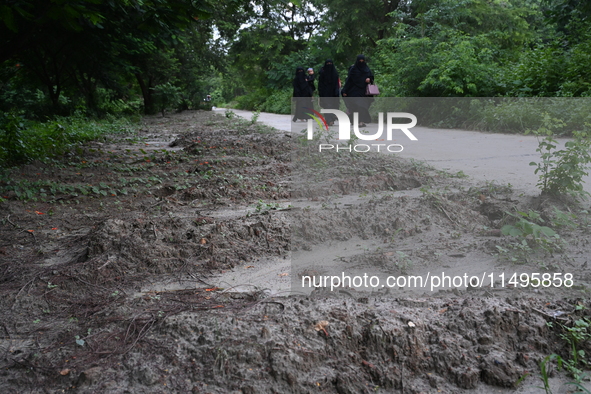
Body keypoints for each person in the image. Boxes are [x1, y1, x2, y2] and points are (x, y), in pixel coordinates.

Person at [341, 54, 374, 127]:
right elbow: (349, 80)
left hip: (364, 91)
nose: (361, 62)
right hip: (354, 91)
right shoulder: (353, 69)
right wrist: (345, 90)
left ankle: (361, 121)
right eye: (360, 61)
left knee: (363, 106)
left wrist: (369, 79)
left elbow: (371, 77)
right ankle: (359, 121)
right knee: (357, 106)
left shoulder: (366, 69)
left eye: (362, 60)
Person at [318, 59, 340, 126]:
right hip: (325, 93)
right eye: (328, 63)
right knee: (327, 106)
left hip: (333, 93)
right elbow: (320, 84)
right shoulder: (323, 73)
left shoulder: (335, 73)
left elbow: (337, 83)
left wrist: (337, 91)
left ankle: (332, 118)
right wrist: (321, 92)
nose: (329, 65)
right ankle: (329, 120)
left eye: (330, 63)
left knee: (333, 106)